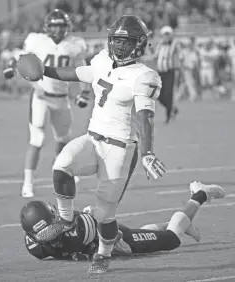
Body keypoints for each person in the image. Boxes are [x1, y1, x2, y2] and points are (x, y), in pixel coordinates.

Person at [17, 15, 166, 274]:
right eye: (117, 41)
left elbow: (145, 116)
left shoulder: (145, 76)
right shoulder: (101, 60)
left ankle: (103, 254)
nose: (119, 47)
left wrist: (148, 152)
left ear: (140, 44)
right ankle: (64, 219)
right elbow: (77, 73)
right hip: (93, 138)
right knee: (62, 164)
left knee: (104, 214)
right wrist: (45, 71)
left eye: (126, 42)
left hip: (120, 149)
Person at [20, 182, 225, 266]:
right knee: (144, 233)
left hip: (116, 238)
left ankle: (200, 193)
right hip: (104, 242)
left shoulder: (79, 229)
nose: (51, 234)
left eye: (51, 228)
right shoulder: (35, 248)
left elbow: (106, 228)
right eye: (46, 233)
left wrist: (111, 247)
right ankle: (181, 223)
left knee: (171, 239)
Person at [4, 9, 90, 198]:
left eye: (61, 25)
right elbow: (21, 57)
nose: (58, 29)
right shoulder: (38, 41)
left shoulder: (74, 45)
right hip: (41, 96)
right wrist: (11, 67)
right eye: (55, 25)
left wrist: (84, 92)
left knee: (63, 139)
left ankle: (59, 171)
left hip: (62, 98)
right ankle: (27, 182)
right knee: (37, 139)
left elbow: (82, 69)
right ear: (47, 27)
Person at [153, 26, 182, 123]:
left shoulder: (175, 44)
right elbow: (155, 56)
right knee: (159, 95)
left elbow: (181, 56)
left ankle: (168, 116)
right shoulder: (159, 45)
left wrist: (178, 66)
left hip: (170, 71)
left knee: (168, 94)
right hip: (160, 72)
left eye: (168, 35)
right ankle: (173, 109)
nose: (166, 37)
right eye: (164, 35)